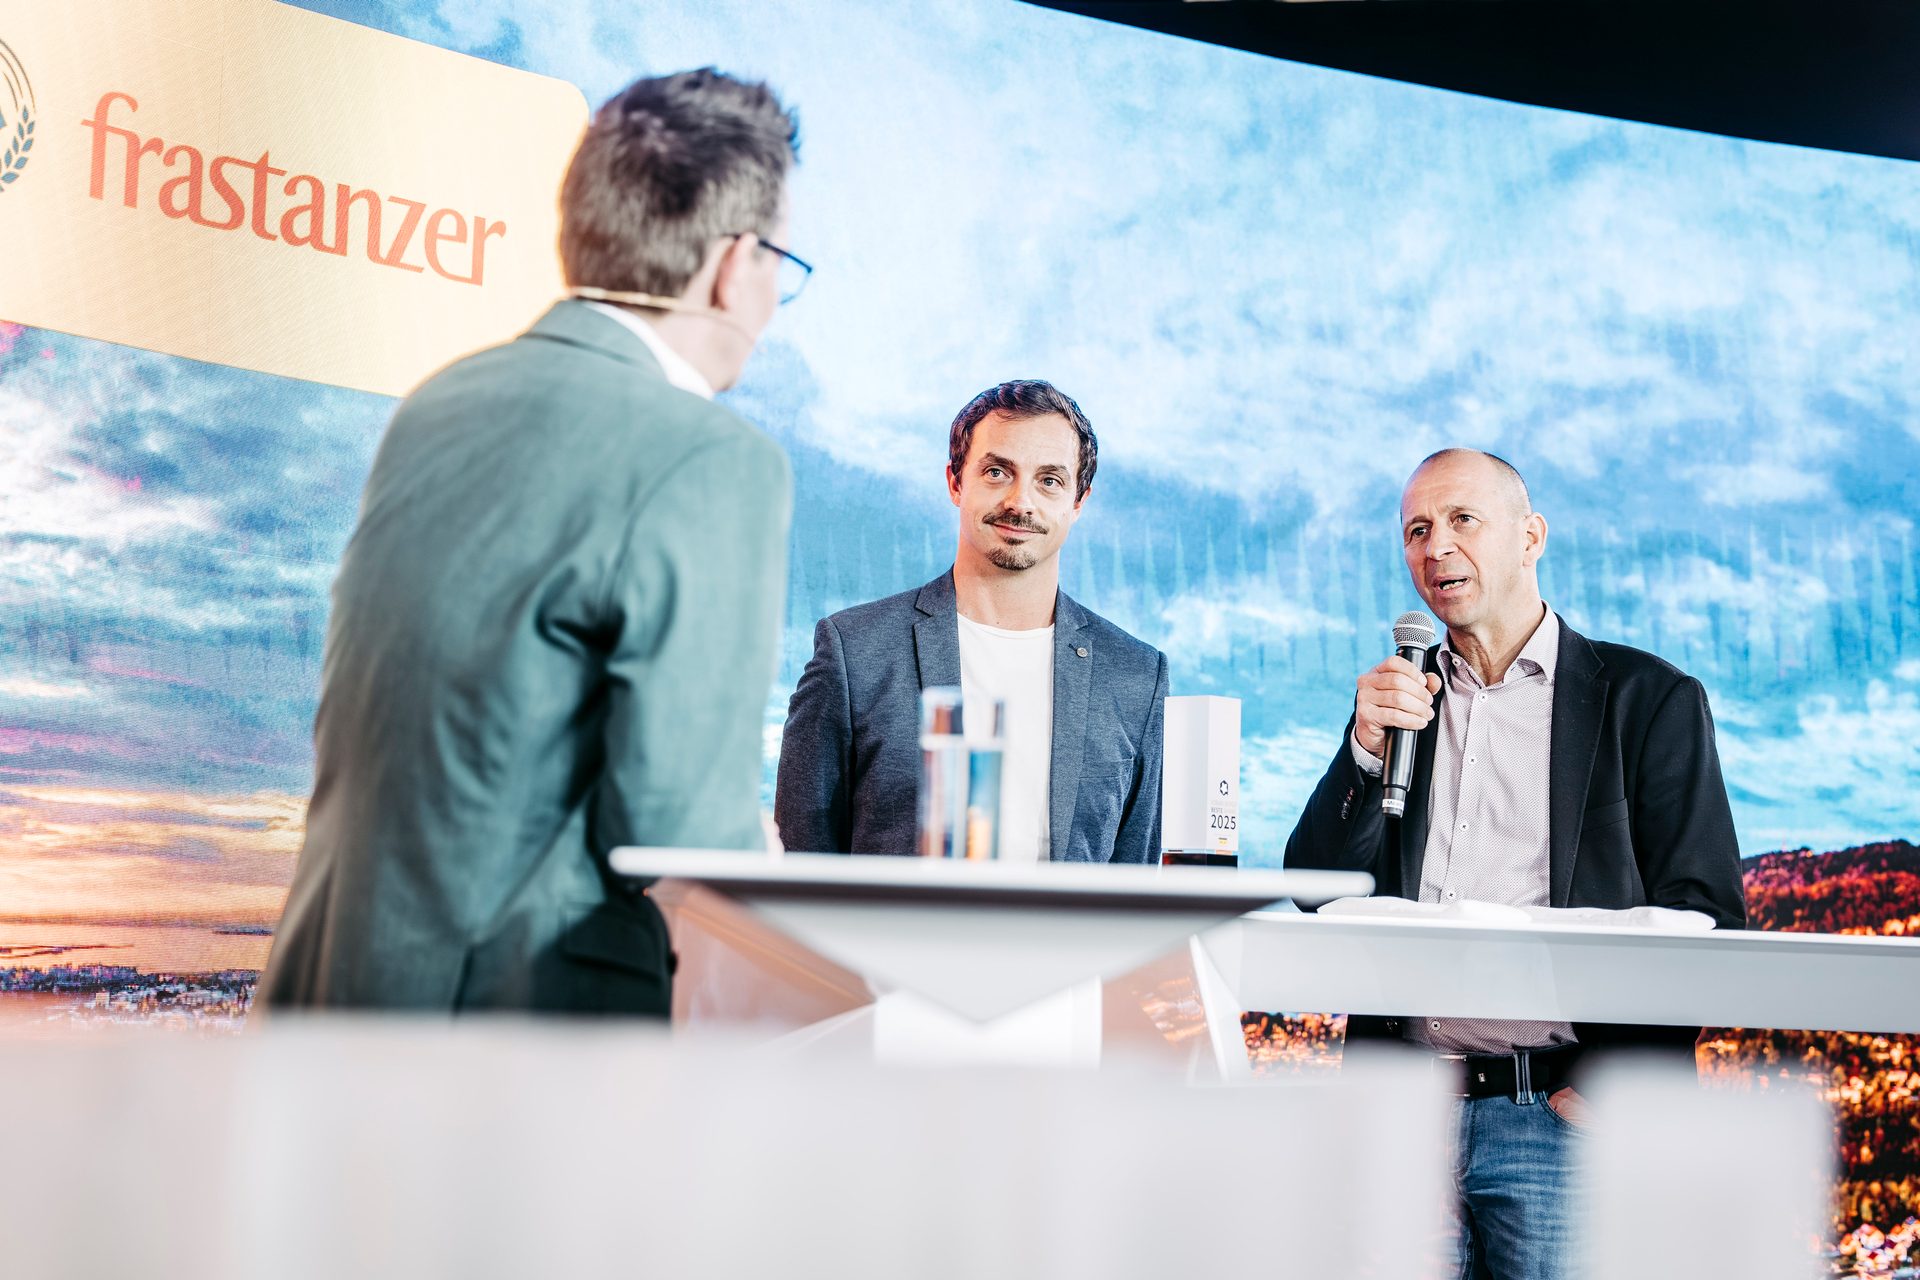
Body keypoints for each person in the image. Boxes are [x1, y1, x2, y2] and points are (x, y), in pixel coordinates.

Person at [261, 69, 802, 1015]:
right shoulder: (712, 456)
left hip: (328, 995)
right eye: (780, 269)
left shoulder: (440, 403)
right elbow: (679, 826)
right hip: (519, 1041)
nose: (768, 307)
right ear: (732, 262)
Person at [1284, 448, 1747, 1279]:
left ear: (1531, 536)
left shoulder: (1648, 700)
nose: (1436, 548)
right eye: (1416, 530)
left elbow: (1704, 909)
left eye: (1463, 520)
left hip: (1560, 1120)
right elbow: (1315, 889)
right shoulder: (1401, 703)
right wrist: (1361, 749)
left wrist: (1613, 1087)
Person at [776, 380, 1167, 862]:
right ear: (956, 482)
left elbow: (1137, 888)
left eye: (1050, 480)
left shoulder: (1136, 676)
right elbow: (802, 865)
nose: (1021, 502)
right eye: (998, 471)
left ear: (1078, 501)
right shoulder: (854, 653)